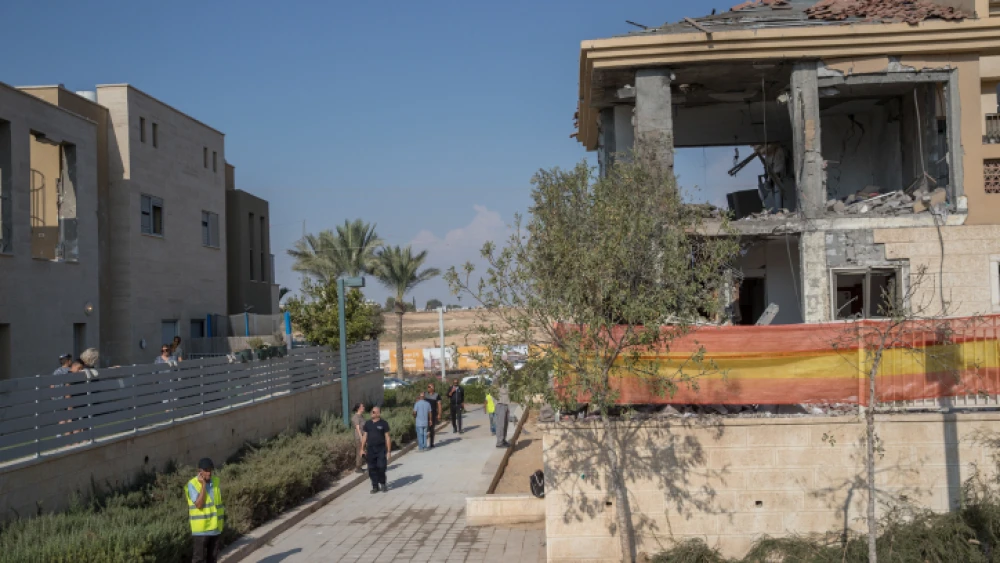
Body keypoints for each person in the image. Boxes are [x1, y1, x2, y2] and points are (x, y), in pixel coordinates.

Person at [187, 457, 225, 563]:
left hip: (215, 528)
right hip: (201, 530)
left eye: (210, 470)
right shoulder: (192, 484)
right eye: (206, 470)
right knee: (198, 559)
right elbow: (199, 504)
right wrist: (203, 485)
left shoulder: (216, 482)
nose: (209, 473)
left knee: (212, 559)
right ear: (200, 471)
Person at [361, 406, 392, 493]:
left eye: (373, 412)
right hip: (370, 449)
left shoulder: (384, 424)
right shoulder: (368, 424)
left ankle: (382, 482)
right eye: (371, 411)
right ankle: (375, 486)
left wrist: (389, 451)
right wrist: (362, 449)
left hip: (381, 449)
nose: (371, 413)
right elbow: (364, 436)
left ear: (378, 414)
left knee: (381, 466)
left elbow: (388, 437)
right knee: (371, 468)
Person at [424, 383, 442, 447]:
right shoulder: (425, 394)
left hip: (433, 413)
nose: (428, 388)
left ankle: (431, 443)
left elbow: (439, 405)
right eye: (427, 386)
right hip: (425, 414)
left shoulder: (437, 395)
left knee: (432, 429)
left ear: (433, 388)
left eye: (429, 387)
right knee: (425, 428)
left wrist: (439, 414)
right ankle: (424, 443)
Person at [495, 384, 511, 448]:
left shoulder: (508, 379)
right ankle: (499, 442)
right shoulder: (498, 376)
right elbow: (495, 382)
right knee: (501, 425)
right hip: (500, 404)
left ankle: (503, 440)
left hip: (506, 404)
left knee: (505, 424)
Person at [351, 403, 366, 472]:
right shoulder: (355, 417)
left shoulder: (361, 416)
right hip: (359, 437)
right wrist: (361, 437)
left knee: (363, 451)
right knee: (359, 451)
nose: (364, 407)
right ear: (358, 408)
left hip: (364, 436)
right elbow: (358, 428)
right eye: (362, 406)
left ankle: (362, 464)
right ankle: (358, 467)